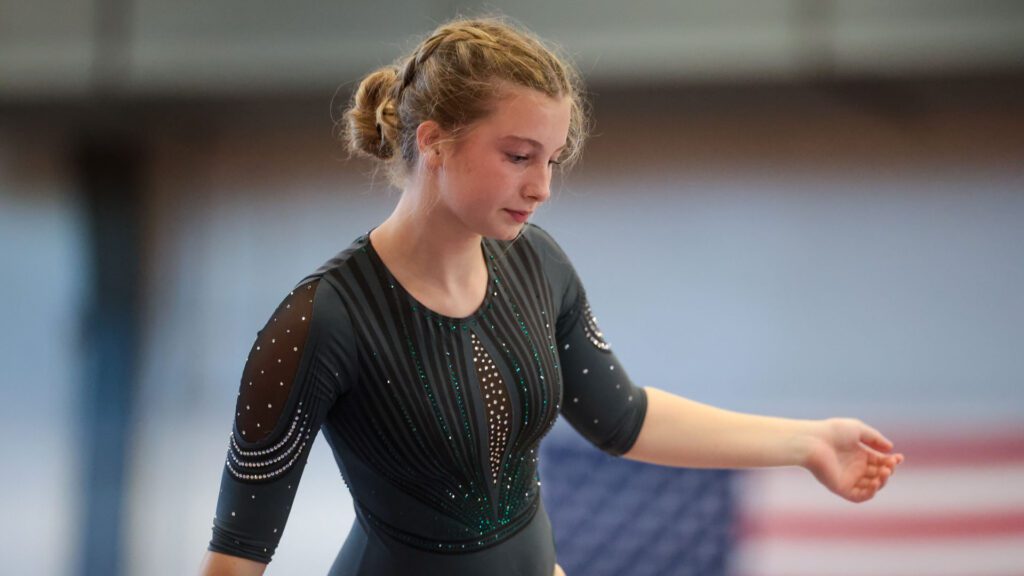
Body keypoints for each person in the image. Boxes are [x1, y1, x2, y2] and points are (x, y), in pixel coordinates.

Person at [198, 15, 905, 576]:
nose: (541, 187)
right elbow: (234, 561)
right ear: (435, 142)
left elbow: (622, 417)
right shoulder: (320, 321)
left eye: (551, 159)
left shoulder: (535, 266)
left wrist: (807, 442)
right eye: (518, 157)